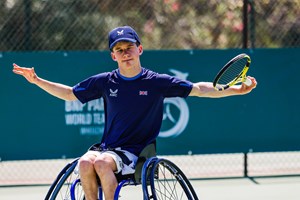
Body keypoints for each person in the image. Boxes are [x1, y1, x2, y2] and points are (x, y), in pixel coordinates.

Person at [13, 25, 257, 200]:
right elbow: (69, 94)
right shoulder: (105, 81)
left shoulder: (156, 81)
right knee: (86, 162)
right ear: (113, 55)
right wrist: (37, 81)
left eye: (129, 47)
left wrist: (235, 90)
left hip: (135, 153)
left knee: (100, 163)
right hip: (107, 148)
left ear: (140, 49)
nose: (125, 52)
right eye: (119, 49)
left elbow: (199, 89)